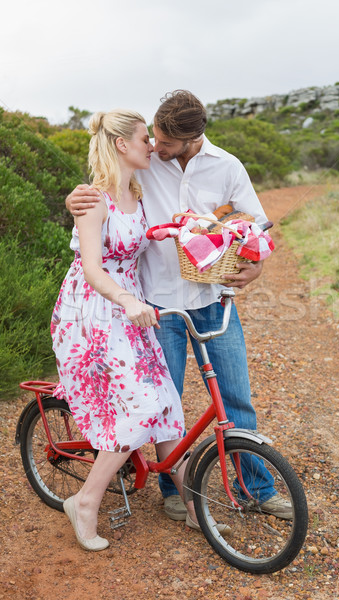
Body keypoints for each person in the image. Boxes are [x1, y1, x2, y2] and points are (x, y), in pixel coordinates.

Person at [66, 91, 293, 521]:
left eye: (165, 141)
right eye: (152, 135)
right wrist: (72, 201)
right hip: (156, 302)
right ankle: (175, 488)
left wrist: (256, 268)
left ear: (193, 138)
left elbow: (255, 224)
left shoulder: (227, 167)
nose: (155, 145)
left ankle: (256, 488)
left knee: (235, 398)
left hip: (212, 300)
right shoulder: (145, 167)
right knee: (164, 401)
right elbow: (104, 190)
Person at [52, 108, 209, 552]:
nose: (151, 145)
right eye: (145, 138)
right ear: (122, 144)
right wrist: (125, 300)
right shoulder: (94, 199)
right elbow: (93, 270)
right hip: (94, 312)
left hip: (132, 310)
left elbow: (137, 241)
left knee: (166, 403)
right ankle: (84, 502)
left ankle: (194, 507)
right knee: (142, 406)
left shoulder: (136, 193)